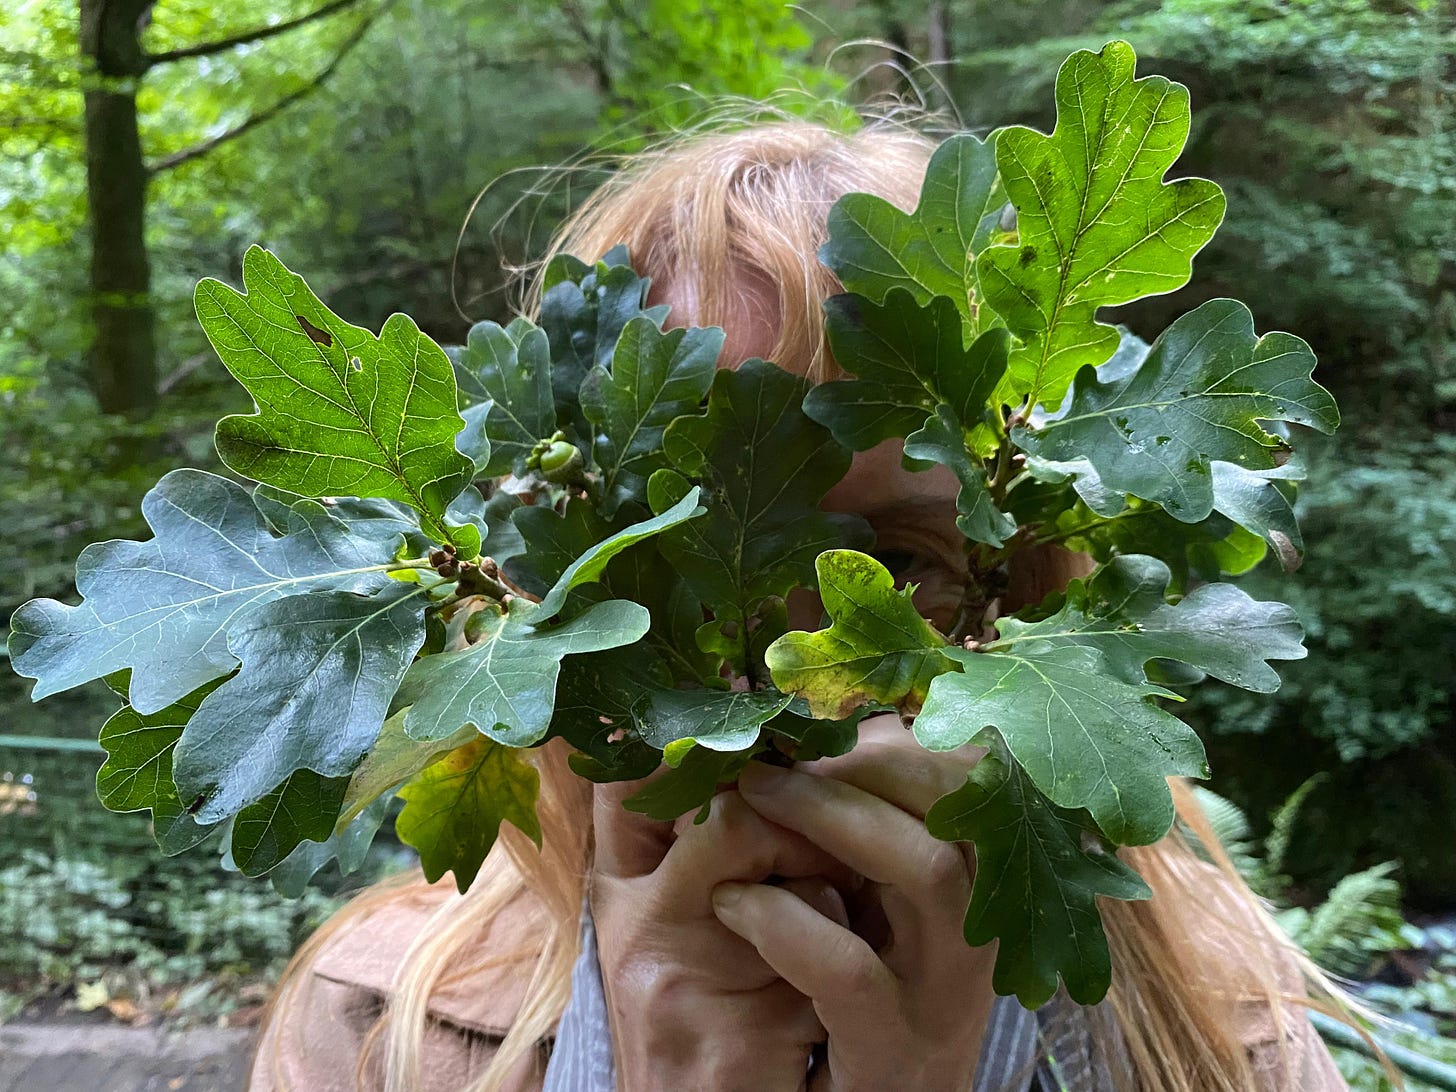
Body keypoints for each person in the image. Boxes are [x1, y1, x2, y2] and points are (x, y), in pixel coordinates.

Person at [250, 115, 1353, 1092]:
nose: (779, 689)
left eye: (893, 566)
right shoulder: (378, 1036)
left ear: (1028, 603)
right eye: (671, 575)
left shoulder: (1228, 1040)